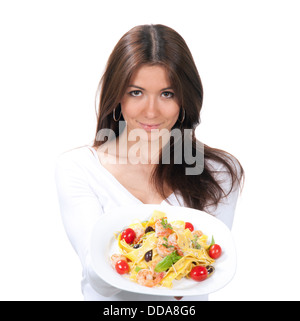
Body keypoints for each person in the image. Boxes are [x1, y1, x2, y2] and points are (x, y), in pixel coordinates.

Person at [55, 24, 244, 301]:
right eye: (136, 92)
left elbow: (208, 270)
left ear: (185, 100)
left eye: (167, 94)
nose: (151, 111)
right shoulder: (79, 167)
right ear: (117, 96)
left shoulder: (220, 171)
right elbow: (100, 280)